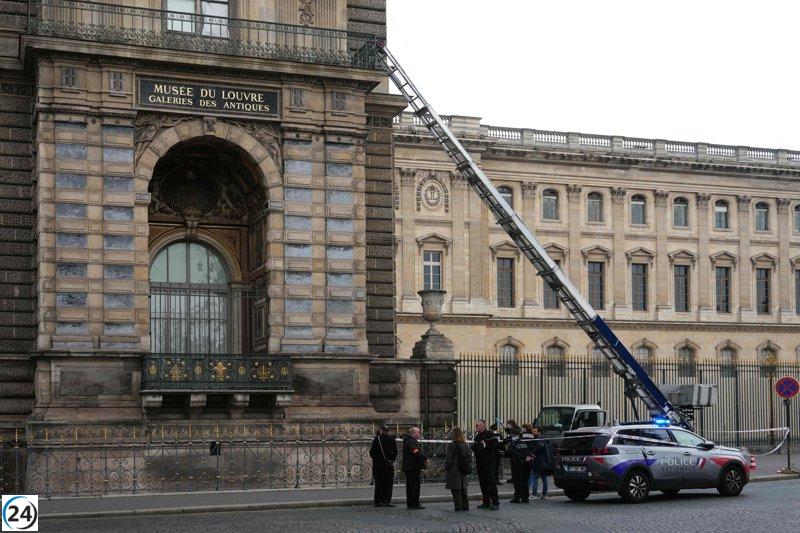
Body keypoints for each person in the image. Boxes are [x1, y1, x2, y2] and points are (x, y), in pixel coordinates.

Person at [472, 419, 500, 510]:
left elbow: (496, 446)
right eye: (476, 425)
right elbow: (475, 447)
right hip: (480, 462)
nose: (476, 426)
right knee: (483, 483)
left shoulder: (490, 434)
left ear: (483, 426)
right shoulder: (477, 437)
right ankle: (486, 501)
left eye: (477, 425)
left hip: (489, 462)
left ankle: (495, 502)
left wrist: (486, 447)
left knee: (491, 482)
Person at [444, 426, 472, 511]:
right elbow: (470, 457)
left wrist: (446, 467)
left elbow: (449, 459)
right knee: (463, 489)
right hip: (463, 469)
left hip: (454, 469)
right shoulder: (465, 444)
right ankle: (465, 506)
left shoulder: (452, 445)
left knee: (456, 489)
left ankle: (458, 507)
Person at [369, 423, 398, 507]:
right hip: (388, 465)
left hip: (378, 466)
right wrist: (391, 460)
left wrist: (377, 459)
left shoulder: (376, 439)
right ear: (387, 431)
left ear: (381, 430)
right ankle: (387, 500)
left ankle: (378, 501)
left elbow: (372, 453)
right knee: (388, 484)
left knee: (379, 484)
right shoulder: (391, 439)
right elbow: (395, 452)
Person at [507, 423, 535, 503]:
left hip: (517, 464)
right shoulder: (524, 442)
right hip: (527, 463)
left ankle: (517, 497)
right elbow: (529, 451)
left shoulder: (513, 443)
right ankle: (525, 497)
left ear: (512, 435)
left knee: (517, 481)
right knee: (525, 481)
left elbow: (509, 453)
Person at [402, 426, 428, 509]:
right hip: (412, 467)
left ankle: (411, 503)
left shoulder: (410, 440)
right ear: (413, 433)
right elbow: (415, 451)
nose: (419, 434)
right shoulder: (410, 441)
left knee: (410, 486)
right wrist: (425, 457)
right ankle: (415, 503)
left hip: (410, 467)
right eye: (418, 432)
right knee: (414, 486)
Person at [530, 425, 555, 499]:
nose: (533, 432)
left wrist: (532, 452)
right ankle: (544, 494)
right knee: (544, 478)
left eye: (535, 431)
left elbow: (539, 447)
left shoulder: (539, 439)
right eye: (533, 431)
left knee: (534, 477)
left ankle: (534, 494)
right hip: (545, 462)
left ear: (539, 432)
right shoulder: (546, 439)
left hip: (538, 461)